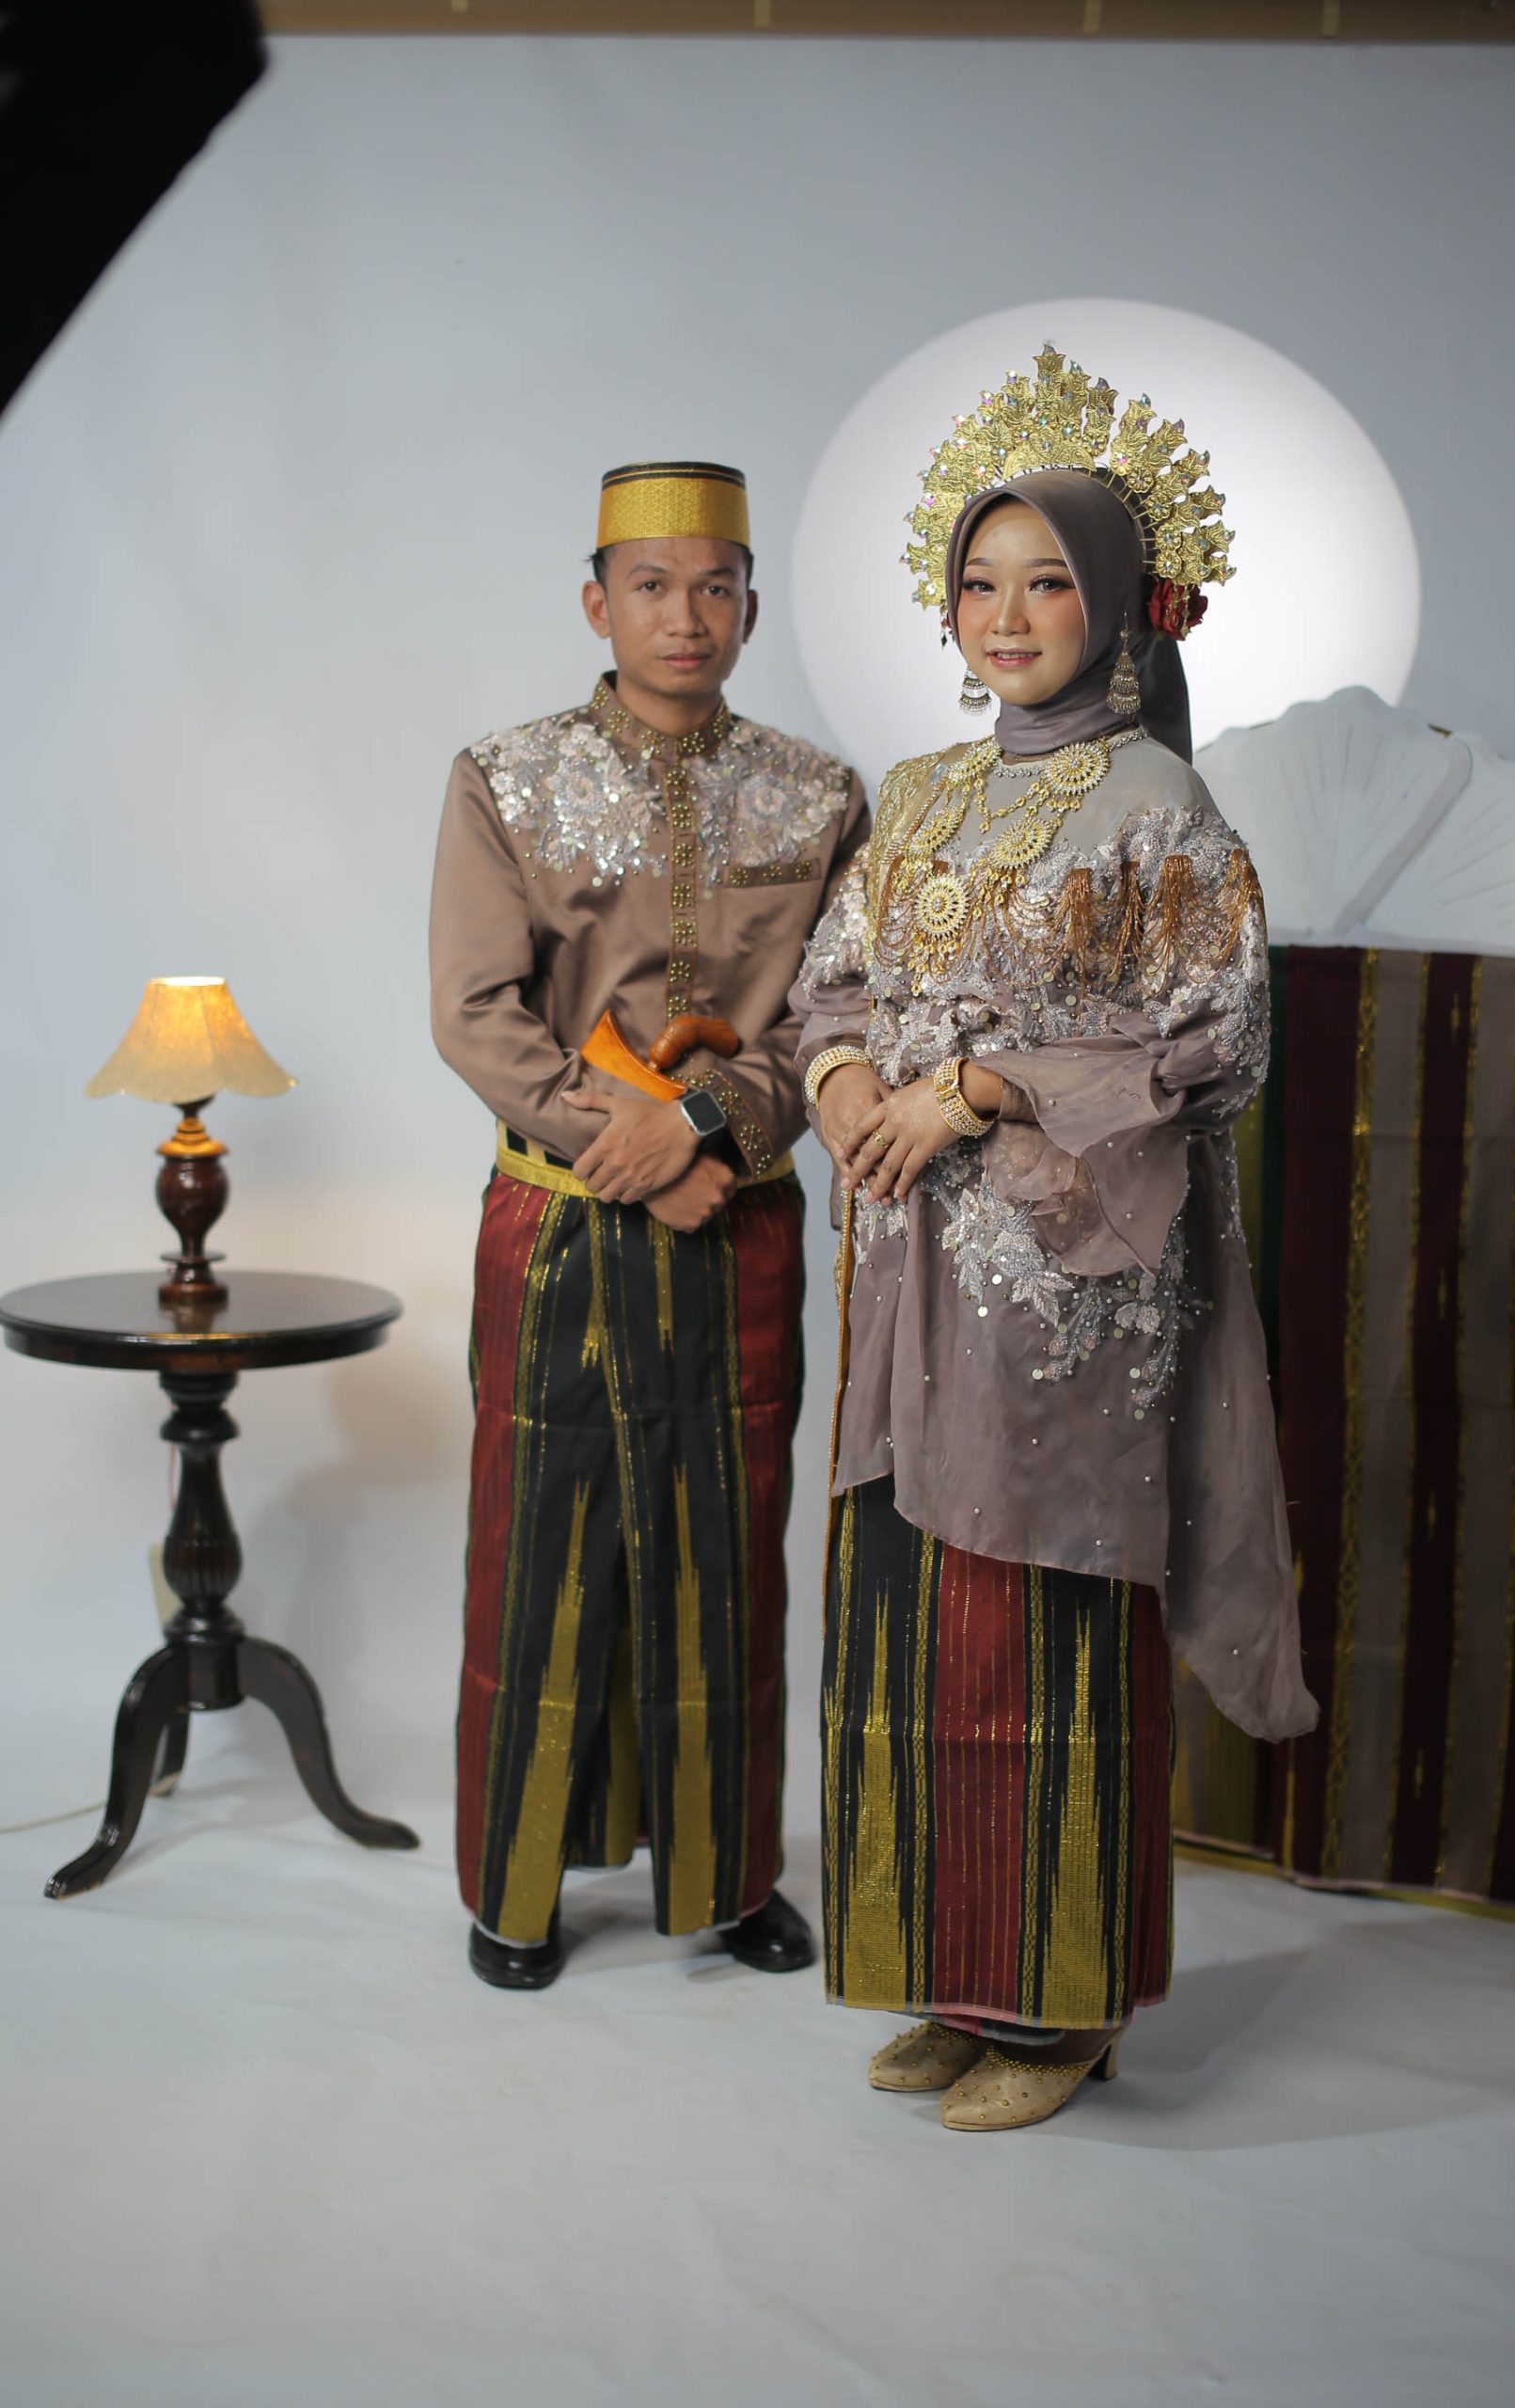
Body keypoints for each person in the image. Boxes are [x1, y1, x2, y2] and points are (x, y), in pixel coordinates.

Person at [793, 348, 1317, 2130]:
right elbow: (834, 984)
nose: (1008, 616)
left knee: (1041, 1628)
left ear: (1118, 607)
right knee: (913, 1619)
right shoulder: (918, 792)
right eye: (981, 583)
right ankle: (953, 1984)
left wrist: (979, 1089)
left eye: (1048, 584)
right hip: (907, 1279)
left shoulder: (1160, 805)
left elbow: (1216, 1040)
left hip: (1072, 1300)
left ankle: (1063, 2010)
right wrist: (846, 1080)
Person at [432, 460, 868, 1990]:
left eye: (717, 587)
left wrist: (706, 1127)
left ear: (749, 603)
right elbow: (475, 1011)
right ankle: (515, 1887)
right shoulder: (505, 777)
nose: (687, 616)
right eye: (653, 586)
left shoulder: (820, 793)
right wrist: (626, 1147)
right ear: (596, 601)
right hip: (559, 1227)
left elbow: (839, 1009)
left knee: (726, 1555)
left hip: (737, 1226)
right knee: (543, 1549)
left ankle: (728, 1880)